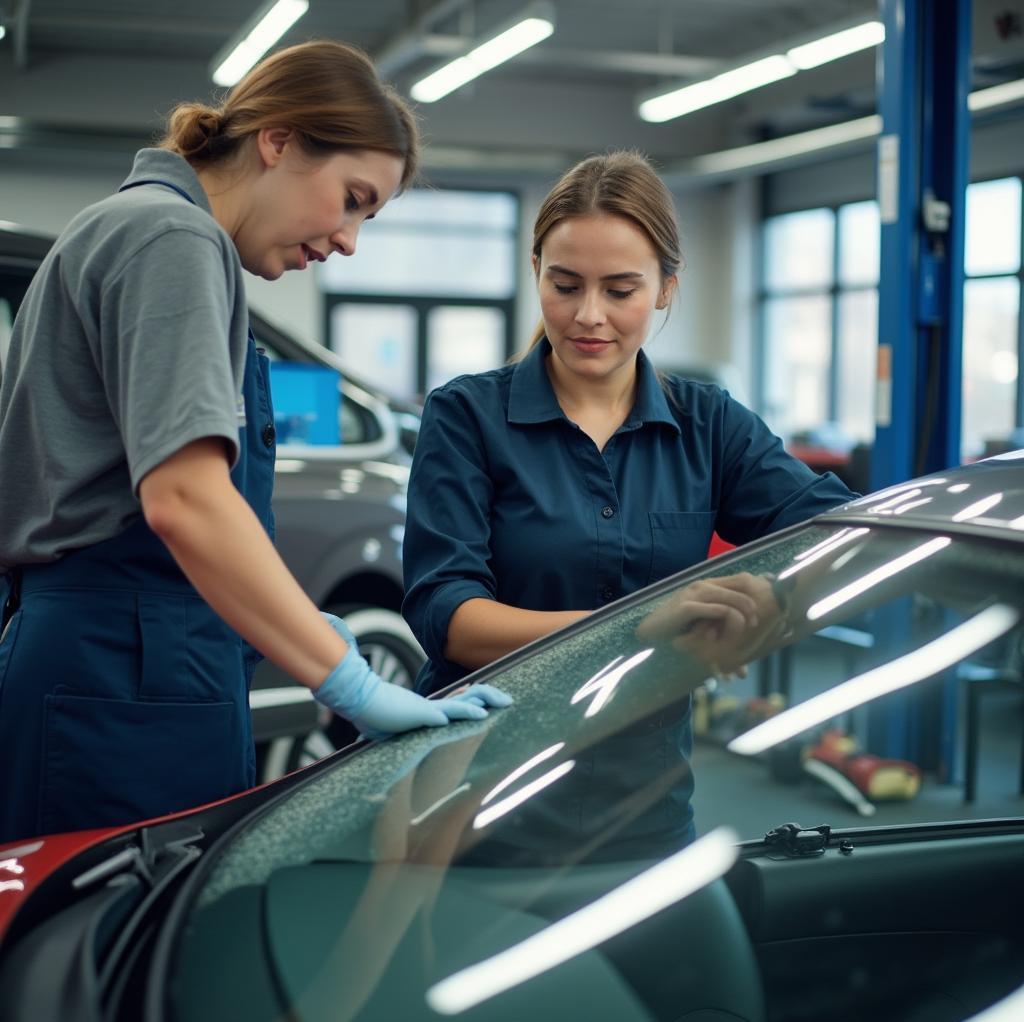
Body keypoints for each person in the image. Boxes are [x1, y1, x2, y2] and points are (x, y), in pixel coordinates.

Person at [0, 40, 508, 845]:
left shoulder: (129, 226)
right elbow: (186, 499)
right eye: (351, 198)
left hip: (118, 660)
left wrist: (312, 625)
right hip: (123, 668)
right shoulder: (174, 239)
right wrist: (347, 679)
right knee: (116, 955)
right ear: (278, 139)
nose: (348, 240)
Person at [401, 150, 854, 854]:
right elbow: (448, 616)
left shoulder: (708, 425)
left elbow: (835, 530)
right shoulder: (466, 416)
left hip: (643, 794)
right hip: (482, 791)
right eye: (566, 285)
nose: (589, 316)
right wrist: (637, 625)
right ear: (536, 274)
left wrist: (773, 602)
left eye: (620, 290)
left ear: (666, 288)